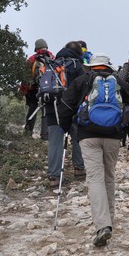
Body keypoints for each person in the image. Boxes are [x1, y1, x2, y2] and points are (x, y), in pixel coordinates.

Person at [57, 53, 129, 247]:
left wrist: (65, 129)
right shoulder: (119, 82)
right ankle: (108, 222)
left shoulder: (81, 81)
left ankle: (103, 225)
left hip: (88, 136)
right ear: (108, 67)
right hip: (113, 136)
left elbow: (65, 106)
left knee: (95, 178)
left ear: (91, 67)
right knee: (109, 177)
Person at [44, 41, 86, 188]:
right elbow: (83, 88)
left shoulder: (53, 64)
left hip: (52, 108)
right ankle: (79, 168)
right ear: (79, 52)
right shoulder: (78, 66)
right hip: (72, 109)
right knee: (78, 137)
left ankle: (53, 177)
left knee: (55, 142)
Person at [21, 38, 52, 140]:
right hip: (48, 90)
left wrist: (22, 91)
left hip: (33, 90)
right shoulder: (53, 58)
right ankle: (45, 136)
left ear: (36, 48)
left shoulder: (32, 59)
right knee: (45, 111)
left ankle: (28, 132)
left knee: (32, 109)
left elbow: (25, 77)